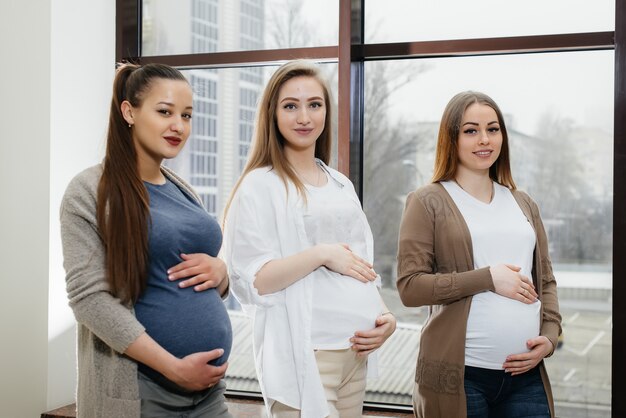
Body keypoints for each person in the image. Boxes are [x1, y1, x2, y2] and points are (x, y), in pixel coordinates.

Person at [222, 60, 397, 418]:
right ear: (272, 114)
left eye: (314, 104)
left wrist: (385, 317)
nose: (304, 116)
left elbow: (359, 264)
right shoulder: (259, 186)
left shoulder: (339, 183)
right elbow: (254, 280)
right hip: (306, 358)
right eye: (291, 106)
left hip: (354, 356)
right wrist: (321, 254)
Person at [60, 63, 233, 418]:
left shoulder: (181, 189)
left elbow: (184, 266)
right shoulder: (89, 191)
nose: (178, 126)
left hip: (209, 393)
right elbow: (89, 300)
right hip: (143, 393)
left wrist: (222, 272)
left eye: (186, 115)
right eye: (165, 112)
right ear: (129, 112)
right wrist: (173, 367)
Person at [396, 91, 562, 418]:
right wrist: (488, 278)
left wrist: (550, 336)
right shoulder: (427, 200)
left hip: (525, 375)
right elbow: (409, 287)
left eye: (493, 129)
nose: (484, 139)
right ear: (452, 138)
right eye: (471, 130)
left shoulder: (523, 202)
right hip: (462, 376)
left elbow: (547, 280)